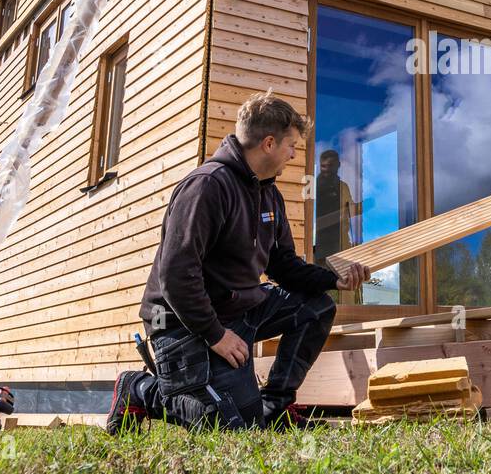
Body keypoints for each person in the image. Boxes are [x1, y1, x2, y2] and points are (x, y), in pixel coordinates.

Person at [105, 91, 369, 434]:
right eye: (291, 146)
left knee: (315, 308)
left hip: (240, 309)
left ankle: (275, 406)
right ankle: (140, 388)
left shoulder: (269, 194)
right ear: (270, 144)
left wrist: (335, 279)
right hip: (181, 322)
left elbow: (283, 266)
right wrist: (216, 336)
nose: (293, 155)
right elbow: (175, 275)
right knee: (232, 426)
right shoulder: (207, 187)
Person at [312, 149, 364, 302]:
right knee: (322, 284)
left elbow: (349, 211)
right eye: (323, 166)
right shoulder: (316, 187)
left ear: (338, 165)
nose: (327, 169)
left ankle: (350, 310)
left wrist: (367, 206)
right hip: (322, 245)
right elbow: (320, 218)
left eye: (330, 166)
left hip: (342, 243)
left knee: (348, 281)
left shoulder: (343, 187)